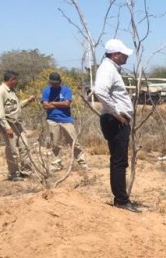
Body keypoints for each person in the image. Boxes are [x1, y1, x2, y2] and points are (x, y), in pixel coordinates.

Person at [93, 38, 140, 212]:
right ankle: (121, 200)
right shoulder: (107, 69)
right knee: (119, 161)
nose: (126, 57)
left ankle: (121, 198)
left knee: (118, 160)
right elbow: (99, 91)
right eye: (124, 54)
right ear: (115, 54)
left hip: (116, 119)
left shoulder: (111, 68)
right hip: (115, 121)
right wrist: (116, 113)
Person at [0, 70, 36, 181]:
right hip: (9, 124)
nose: (17, 82)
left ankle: (26, 171)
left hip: (18, 124)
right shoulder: (0, 91)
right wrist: (7, 127)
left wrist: (28, 101)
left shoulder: (12, 91)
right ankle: (13, 174)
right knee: (12, 151)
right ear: (12, 80)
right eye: (16, 80)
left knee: (25, 147)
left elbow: (17, 107)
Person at [41, 72, 88, 172]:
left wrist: (52, 103)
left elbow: (67, 104)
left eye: (56, 83)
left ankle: (82, 163)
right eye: (52, 83)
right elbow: (45, 106)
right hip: (52, 119)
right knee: (55, 143)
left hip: (66, 119)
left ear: (60, 82)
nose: (54, 85)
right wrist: (59, 104)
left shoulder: (66, 90)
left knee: (74, 142)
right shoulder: (46, 90)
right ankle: (56, 164)